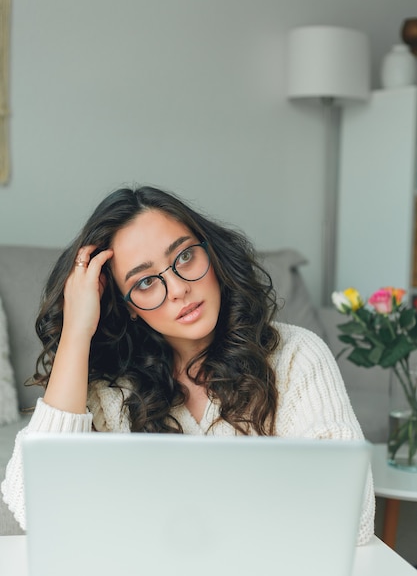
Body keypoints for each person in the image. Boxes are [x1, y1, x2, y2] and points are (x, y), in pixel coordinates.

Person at [1, 185, 375, 542]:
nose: (178, 288)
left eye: (184, 256)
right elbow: (33, 505)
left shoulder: (296, 355)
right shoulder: (110, 391)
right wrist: (76, 333)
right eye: (146, 281)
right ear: (127, 306)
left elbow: (353, 518)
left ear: (210, 252)